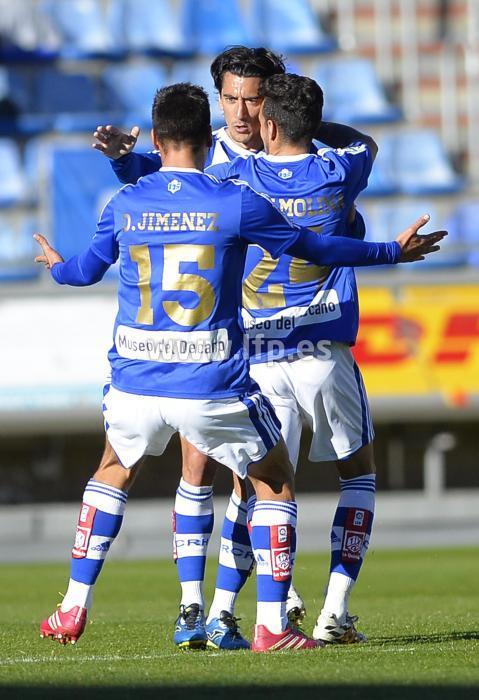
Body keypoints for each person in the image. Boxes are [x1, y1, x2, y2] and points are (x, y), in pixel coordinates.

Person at [36, 83, 443, 653]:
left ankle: (71, 608)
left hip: (134, 379)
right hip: (209, 378)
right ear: (211, 140)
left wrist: (55, 266)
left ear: (156, 139)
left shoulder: (126, 203)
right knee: (272, 479)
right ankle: (272, 624)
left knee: (111, 471)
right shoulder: (234, 201)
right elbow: (315, 248)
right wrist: (390, 252)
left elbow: (81, 272)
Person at [93, 46, 369, 649]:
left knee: (255, 480)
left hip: (263, 348)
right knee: (201, 469)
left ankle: (244, 605)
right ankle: (195, 605)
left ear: (272, 102)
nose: (242, 111)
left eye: (253, 98)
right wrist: (121, 161)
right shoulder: (211, 154)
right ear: (218, 98)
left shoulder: (303, 155)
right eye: (231, 98)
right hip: (217, 343)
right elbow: (152, 180)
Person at [206, 72, 384, 643]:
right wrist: (311, 126)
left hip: (258, 357)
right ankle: (334, 611)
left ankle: (227, 610)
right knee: (357, 473)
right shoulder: (340, 171)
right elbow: (367, 144)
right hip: (323, 352)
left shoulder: (235, 176)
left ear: (268, 122)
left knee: (257, 487)